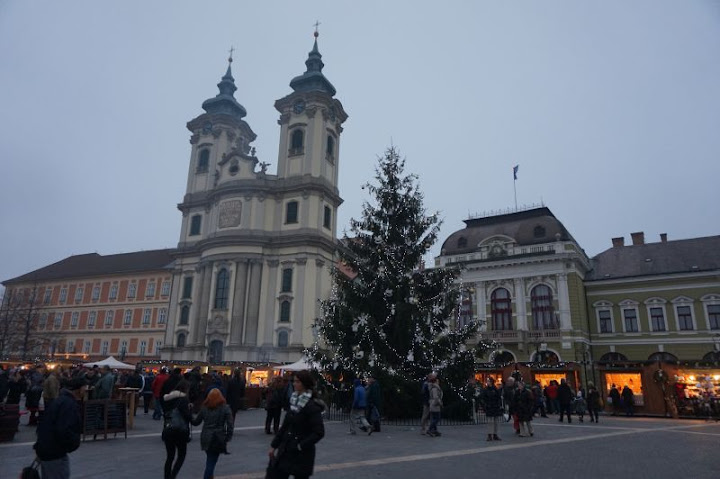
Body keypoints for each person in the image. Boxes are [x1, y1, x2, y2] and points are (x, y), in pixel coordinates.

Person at [268, 370, 325, 479]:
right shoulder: (293, 401)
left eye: (297, 382)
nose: (294, 384)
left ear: (305, 383)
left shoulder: (311, 406)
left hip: (302, 454)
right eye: (294, 381)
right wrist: (274, 445)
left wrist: (300, 445)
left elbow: (319, 432)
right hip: (286, 450)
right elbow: (285, 426)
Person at [33, 377, 86, 479]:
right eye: (85, 387)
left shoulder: (60, 400)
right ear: (79, 388)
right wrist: (73, 444)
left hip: (47, 449)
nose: (86, 390)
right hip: (55, 452)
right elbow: (64, 429)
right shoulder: (68, 404)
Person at [191, 388, 233, 479]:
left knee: (210, 458)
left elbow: (196, 422)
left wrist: (188, 415)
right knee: (211, 462)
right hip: (217, 437)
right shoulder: (225, 408)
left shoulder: (204, 408)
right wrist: (228, 436)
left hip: (205, 436)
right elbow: (230, 423)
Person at [162, 381, 192, 479]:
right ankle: (172, 476)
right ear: (185, 389)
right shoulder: (183, 399)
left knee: (170, 457)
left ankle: (167, 477)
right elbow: (187, 416)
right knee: (181, 455)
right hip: (180, 431)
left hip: (168, 429)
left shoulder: (167, 398)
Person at [481, 377, 503, 441]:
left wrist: (498, 405)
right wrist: (485, 405)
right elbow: (483, 398)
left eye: (488, 381)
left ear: (491, 382)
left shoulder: (495, 389)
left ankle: (495, 434)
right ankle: (490, 434)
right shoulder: (485, 390)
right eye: (487, 381)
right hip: (489, 407)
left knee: (496, 422)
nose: (487, 382)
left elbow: (498, 397)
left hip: (495, 407)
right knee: (490, 422)